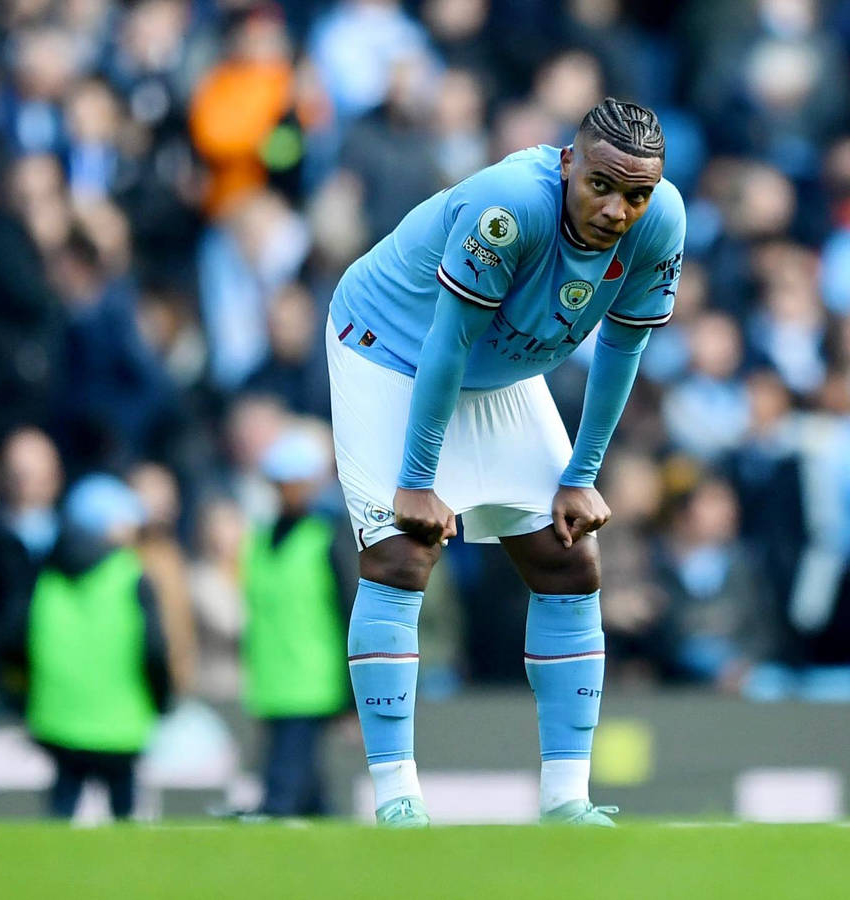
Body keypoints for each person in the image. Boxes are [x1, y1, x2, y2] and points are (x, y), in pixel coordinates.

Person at [326, 98, 685, 826]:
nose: (618, 210)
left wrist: (582, 477)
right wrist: (419, 482)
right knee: (401, 554)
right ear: (566, 163)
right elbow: (445, 344)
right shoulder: (509, 206)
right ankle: (397, 799)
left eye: (636, 194)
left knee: (568, 557)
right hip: (391, 351)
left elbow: (622, 349)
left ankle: (565, 801)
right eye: (602, 186)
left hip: (503, 368)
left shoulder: (663, 223)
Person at [19, 474, 170, 819]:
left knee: (61, 814)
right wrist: (161, 700)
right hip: (122, 721)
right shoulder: (130, 575)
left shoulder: (45, 574)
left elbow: (17, 642)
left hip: (56, 718)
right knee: (125, 817)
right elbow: (154, 649)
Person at [240, 426, 353, 816]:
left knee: (283, 790)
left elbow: (348, 611)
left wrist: (353, 694)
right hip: (272, 681)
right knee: (309, 793)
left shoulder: (329, 537)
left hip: (311, 681)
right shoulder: (259, 539)